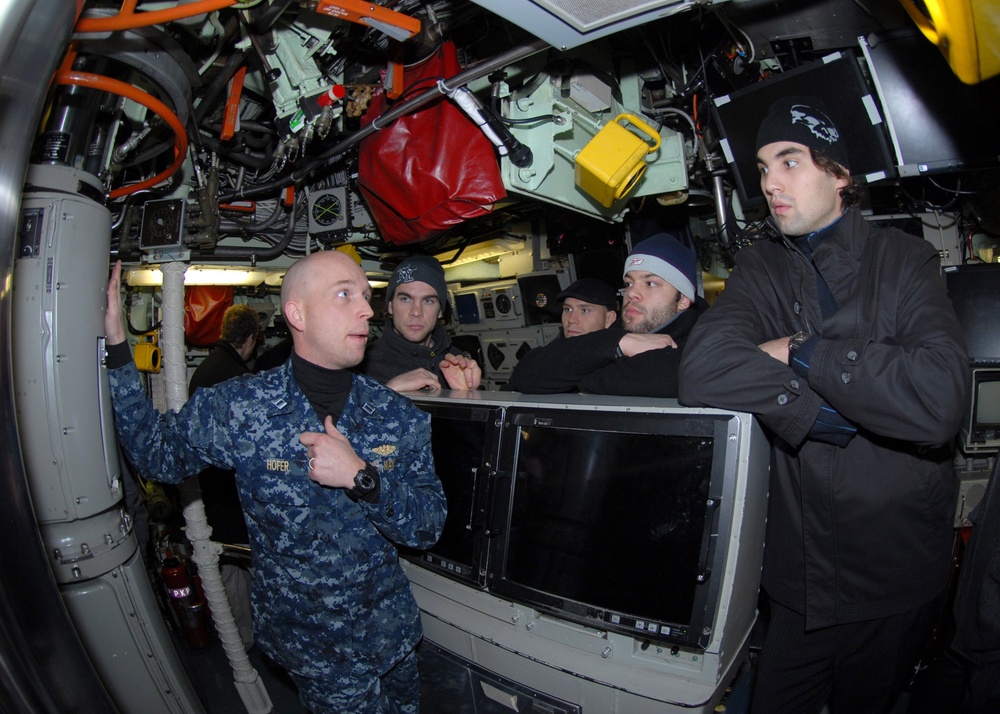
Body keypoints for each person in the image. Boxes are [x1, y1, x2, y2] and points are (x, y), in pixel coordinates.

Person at [677, 96, 969, 713]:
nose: (770, 184)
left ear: (839, 174)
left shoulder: (904, 260)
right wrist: (816, 413)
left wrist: (803, 351)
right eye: (761, 168)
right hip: (799, 580)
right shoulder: (761, 269)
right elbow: (703, 367)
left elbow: (940, 399)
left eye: (789, 161)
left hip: (895, 576)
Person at [104, 251, 446, 713]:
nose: (366, 309)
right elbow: (156, 454)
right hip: (312, 645)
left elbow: (428, 526)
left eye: (366, 296)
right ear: (296, 313)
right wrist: (118, 349)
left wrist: (362, 478)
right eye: (345, 295)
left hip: (392, 634)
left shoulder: (397, 415)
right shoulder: (240, 408)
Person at [505, 232, 707, 396]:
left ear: (683, 300)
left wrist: (581, 380)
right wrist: (619, 344)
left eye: (650, 283)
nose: (631, 293)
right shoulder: (614, 335)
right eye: (629, 283)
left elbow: (671, 377)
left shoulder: (704, 340)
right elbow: (525, 375)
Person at [188, 302, 259, 650]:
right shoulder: (241, 379)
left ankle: (241, 642)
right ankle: (263, 640)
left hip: (211, 496)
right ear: (249, 339)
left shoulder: (201, 373)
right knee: (256, 571)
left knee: (229, 575)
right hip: (239, 499)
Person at [359, 255, 481, 392]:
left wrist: (467, 395)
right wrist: (389, 392)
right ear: (390, 306)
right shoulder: (362, 365)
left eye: (428, 301)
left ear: (440, 311)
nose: (416, 312)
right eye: (405, 299)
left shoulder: (455, 361)